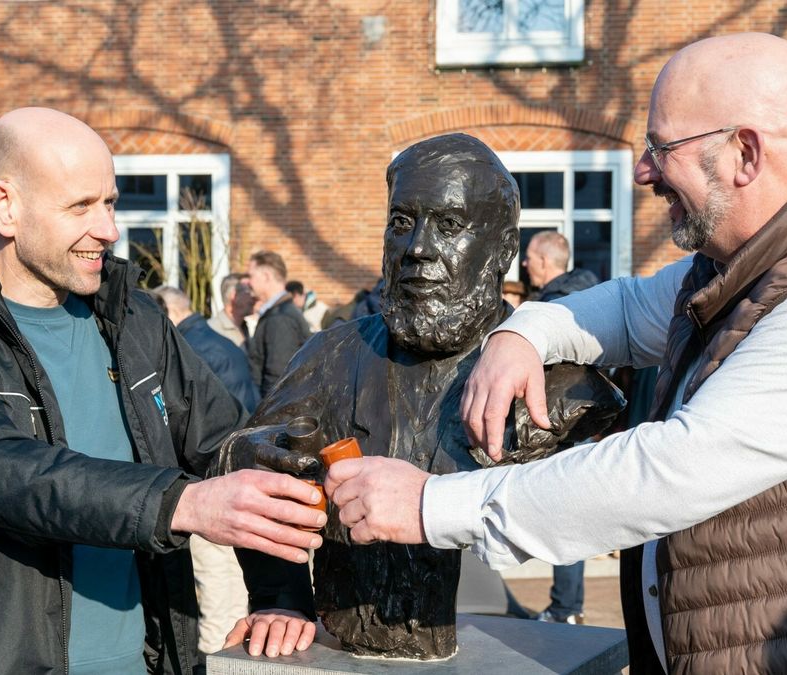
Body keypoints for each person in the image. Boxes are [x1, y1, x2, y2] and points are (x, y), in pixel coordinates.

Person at [324, 33, 787, 674]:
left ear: (745, 155)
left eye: (661, 146)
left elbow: (672, 470)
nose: (644, 170)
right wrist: (520, 335)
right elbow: (624, 309)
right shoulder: (741, 266)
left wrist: (431, 507)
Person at [0, 107, 325, 674]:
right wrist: (181, 502)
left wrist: (279, 596)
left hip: (144, 662)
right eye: (80, 206)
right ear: (5, 206)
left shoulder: (138, 320)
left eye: (109, 202)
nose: (108, 229)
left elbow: (230, 448)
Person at [219, 133, 620, 660]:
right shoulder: (331, 355)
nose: (418, 249)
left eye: (449, 225)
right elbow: (244, 457)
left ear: (502, 249)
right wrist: (280, 595)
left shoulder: (563, 386)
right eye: (402, 222)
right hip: (348, 637)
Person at [150, 285, 258, 654]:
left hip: (214, 490)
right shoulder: (223, 344)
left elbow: (198, 428)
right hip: (241, 481)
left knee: (219, 607)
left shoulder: (188, 352)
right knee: (237, 599)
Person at [519, 230, 600, 625]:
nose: (524, 264)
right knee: (571, 515)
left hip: (560, 426)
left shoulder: (553, 305)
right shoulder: (586, 299)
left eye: (529, 258)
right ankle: (567, 605)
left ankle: (565, 607)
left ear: (546, 263)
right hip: (579, 424)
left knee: (565, 516)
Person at [153, 285, 259, 415]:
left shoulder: (188, 347)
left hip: (230, 427)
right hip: (246, 420)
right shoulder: (216, 338)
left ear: (170, 310)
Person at [245, 250, 310, 397]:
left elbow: (278, 379)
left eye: (251, 276)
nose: (248, 282)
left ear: (266, 276)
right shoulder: (279, 313)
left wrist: (266, 417)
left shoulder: (280, 318)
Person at [522, 230, 600, 303]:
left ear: (543, 261)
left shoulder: (551, 304)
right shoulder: (592, 293)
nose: (524, 263)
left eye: (529, 258)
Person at [209, 272, 251, 348]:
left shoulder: (243, 327)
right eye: (248, 291)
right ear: (234, 295)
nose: (253, 296)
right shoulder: (213, 330)